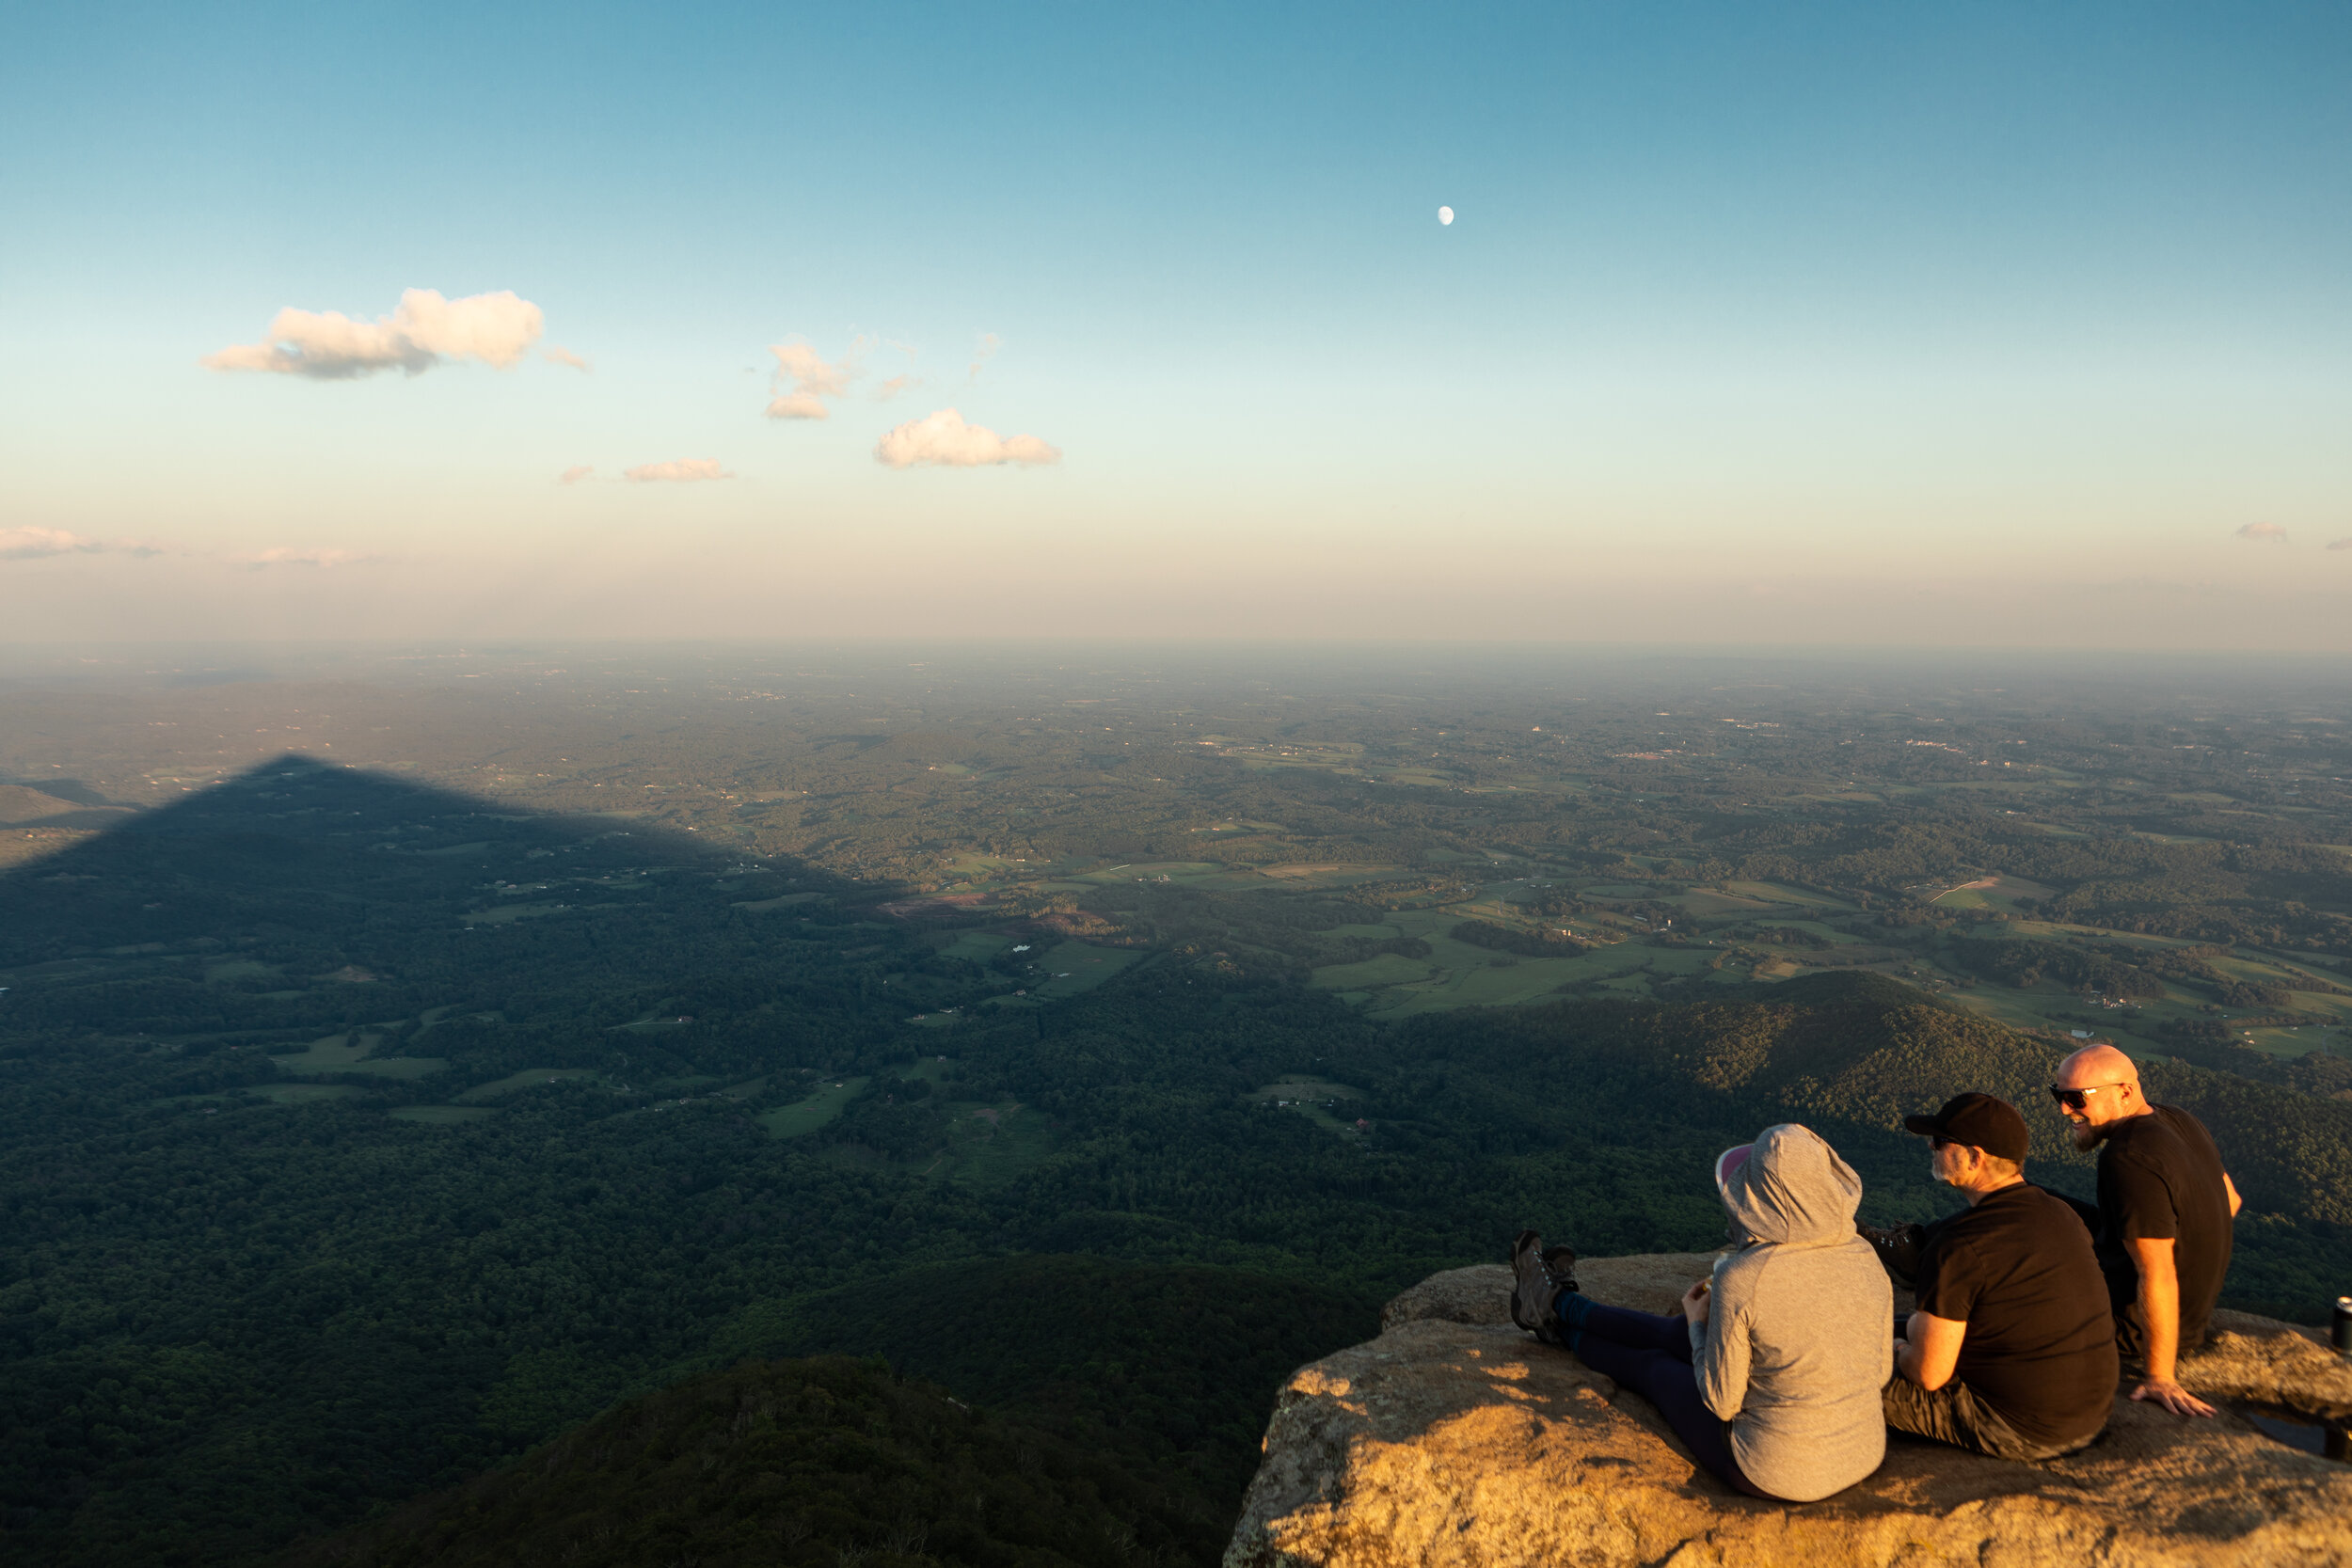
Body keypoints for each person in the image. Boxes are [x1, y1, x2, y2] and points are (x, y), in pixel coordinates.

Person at [1509, 1123, 1891, 1503]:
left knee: (1656, 1366)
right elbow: (1880, 1372)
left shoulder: (1746, 1277)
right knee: (1672, 1333)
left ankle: (1556, 1322)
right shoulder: (1864, 1256)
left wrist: (1697, 1325)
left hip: (1774, 1469)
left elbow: (1722, 1402)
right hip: (1863, 1452)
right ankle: (1558, 1304)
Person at [1882, 1092, 2118, 1460]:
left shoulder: (1959, 1246)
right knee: (1893, 1324)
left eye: (1942, 1141)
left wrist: (1896, 1349)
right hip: (2089, 1415)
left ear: (1975, 1157)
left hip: (2017, 1428)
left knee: (1834, 1372)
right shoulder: (2060, 1213)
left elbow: (1928, 1375)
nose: (1931, 1145)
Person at [2050, 1044, 2241, 1418]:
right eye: (2058, 1095)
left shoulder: (2127, 1158)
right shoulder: (2177, 1119)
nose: (2064, 1109)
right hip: (2191, 1313)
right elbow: (2229, 1200)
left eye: (2076, 1099)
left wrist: (2159, 1376)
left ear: (2125, 1091)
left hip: (2127, 1328)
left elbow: (2156, 1272)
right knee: (2037, 1202)